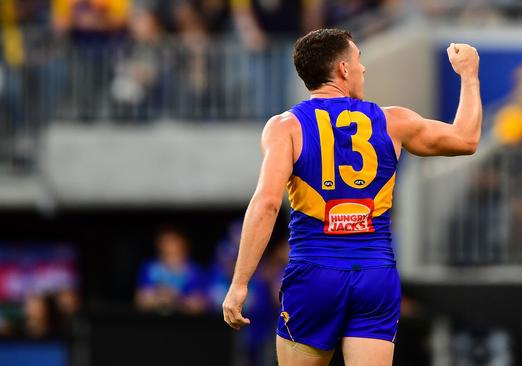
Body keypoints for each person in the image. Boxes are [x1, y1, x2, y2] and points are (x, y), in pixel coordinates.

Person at [222, 28, 481, 365]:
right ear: (343, 69)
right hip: (375, 274)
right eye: (359, 60)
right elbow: (466, 139)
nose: (363, 68)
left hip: (314, 273)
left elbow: (267, 203)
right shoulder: (392, 121)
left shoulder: (285, 127)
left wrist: (240, 283)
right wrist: (469, 74)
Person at [135, 226, 207, 315]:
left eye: (174, 241)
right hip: (152, 324)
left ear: (184, 244)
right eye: (166, 242)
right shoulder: (150, 268)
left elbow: (200, 305)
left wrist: (176, 299)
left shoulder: (194, 271)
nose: (170, 246)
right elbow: (141, 300)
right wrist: (160, 297)